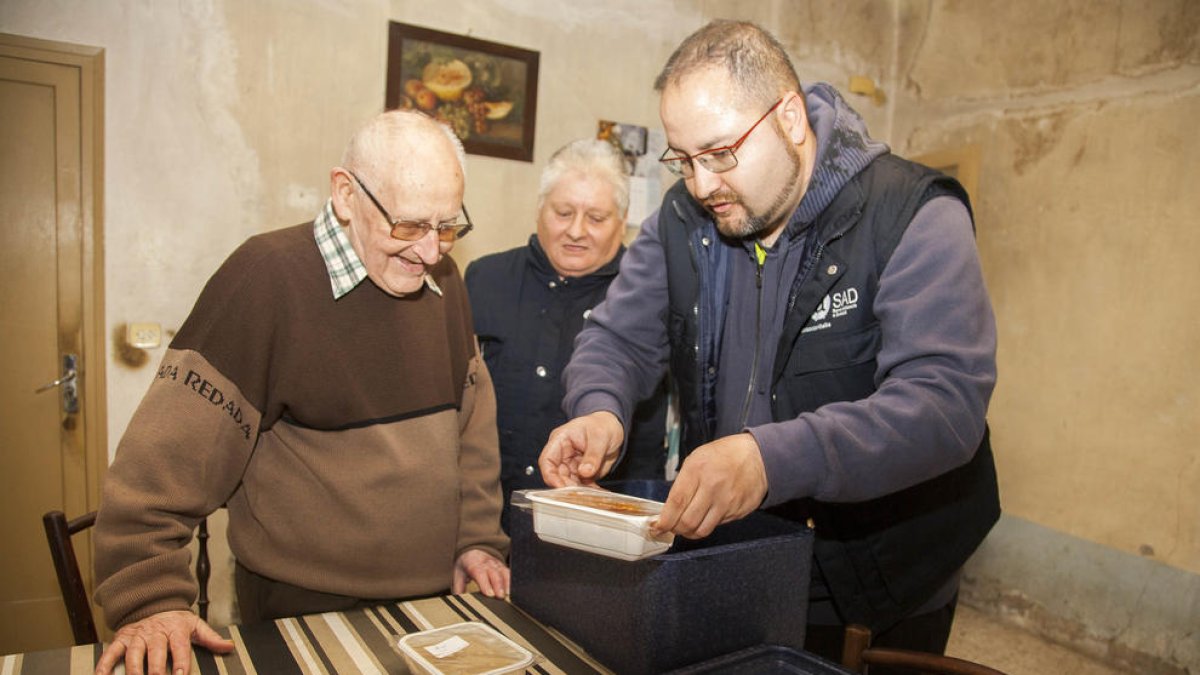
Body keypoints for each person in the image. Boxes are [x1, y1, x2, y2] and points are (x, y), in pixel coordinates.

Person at [539, 20, 1000, 668]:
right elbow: (618, 337)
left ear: (788, 116)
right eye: (684, 159)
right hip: (748, 556)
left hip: (885, 578)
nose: (701, 184)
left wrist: (767, 460)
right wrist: (598, 407)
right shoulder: (685, 217)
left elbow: (945, 405)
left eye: (720, 153)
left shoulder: (911, 214)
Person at [92, 110, 510, 675]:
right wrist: (150, 600)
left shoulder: (445, 280)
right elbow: (159, 468)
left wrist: (478, 540)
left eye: (448, 226)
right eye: (409, 226)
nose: (432, 251)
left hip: (436, 600)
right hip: (300, 608)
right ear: (345, 193)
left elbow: (472, 428)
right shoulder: (264, 278)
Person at [464, 139, 668, 531]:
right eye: (563, 212)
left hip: (604, 527)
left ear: (622, 220)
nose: (577, 231)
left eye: (596, 218)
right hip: (489, 519)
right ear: (540, 209)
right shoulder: (484, 280)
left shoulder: (647, 297)